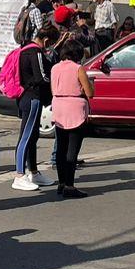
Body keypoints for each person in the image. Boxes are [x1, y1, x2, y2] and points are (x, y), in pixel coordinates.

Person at [11, 25, 56, 192]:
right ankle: (19, 175)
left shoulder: (25, 49)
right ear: (46, 40)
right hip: (32, 97)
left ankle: (33, 172)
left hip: (27, 97)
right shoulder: (35, 52)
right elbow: (41, 76)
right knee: (26, 136)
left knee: (33, 135)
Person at [50, 37, 95, 199]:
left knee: (61, 148)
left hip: (59, 106)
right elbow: (90, 93)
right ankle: (70, 185)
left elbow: (53, 88)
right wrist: (88, 85)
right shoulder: (78, 68)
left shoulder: (55, 68)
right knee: (72, 150)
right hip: (75, 107)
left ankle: (61, 183)